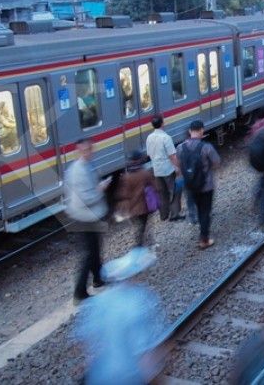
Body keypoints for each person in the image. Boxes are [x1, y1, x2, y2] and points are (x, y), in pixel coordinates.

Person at [74, 247, 168, 384]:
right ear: (137, 275)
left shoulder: (99, 301)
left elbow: (84, 341)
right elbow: (145, 357)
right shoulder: (141, 303)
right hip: (128, 378)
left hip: (99, 377)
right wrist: (155, 379)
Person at [64, 138, 110, 304]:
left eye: (90, 149)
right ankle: (79, 293)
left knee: (95, 250)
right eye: (86, 150)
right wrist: (101, 188)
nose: (90, 152)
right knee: (88, 254)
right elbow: (86, 197)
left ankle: (98, 279)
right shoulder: (78, 171)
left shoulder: (87, 165)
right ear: (79, 151)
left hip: (90, 215)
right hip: (84, 217)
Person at [176, 120, 221, 249]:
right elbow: (217, 162)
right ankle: (204, 239)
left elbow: (179, 165)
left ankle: (203, 233)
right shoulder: (206, 147)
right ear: (202, 130)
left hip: (190, 185)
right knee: (205, 211)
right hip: (206, 186)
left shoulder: (180, 148)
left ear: (190, 131)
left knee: (199, 208)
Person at [114, 151, 158, 247]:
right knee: (144, 226)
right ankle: (141, 245)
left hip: (131, 208)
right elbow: (155, 187)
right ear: (139, 160)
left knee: (138, 227)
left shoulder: (126, 176)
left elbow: (122, 194)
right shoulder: (145, 173)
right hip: (144, 206)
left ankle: (143, 244)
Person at [145, 115, 184, 222]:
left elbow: (149, 154)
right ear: (162, 124)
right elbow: (172, 156)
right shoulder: (166, 138)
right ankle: (174, 214)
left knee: (162, 193)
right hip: (168, 169)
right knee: (174, 191)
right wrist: (178, 168)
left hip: (156, 170)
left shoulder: (149, 138)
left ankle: (163, 215)